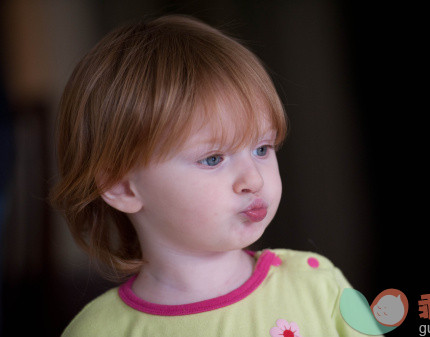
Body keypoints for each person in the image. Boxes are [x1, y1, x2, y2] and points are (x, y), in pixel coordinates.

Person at [51, 15, 372, 337]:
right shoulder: (98, 331)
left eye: (262, 149)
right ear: (122, 187)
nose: (254, 179)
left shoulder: (318, 285)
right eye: (213, 158)